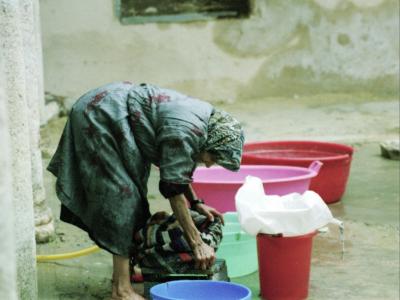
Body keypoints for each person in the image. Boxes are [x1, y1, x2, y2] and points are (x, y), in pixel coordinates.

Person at [47, 81, 244, 300]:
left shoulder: (202, 124)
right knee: (121, 198)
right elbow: (173, 190)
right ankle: (121, 289)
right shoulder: (186, 131)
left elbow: (174, 168)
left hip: (120, 115)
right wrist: (197, 242)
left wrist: (196, 203)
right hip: (102, 115)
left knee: (134, 198)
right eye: (214, 158)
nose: (209, 165)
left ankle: (127, 273)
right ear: (212, 142)